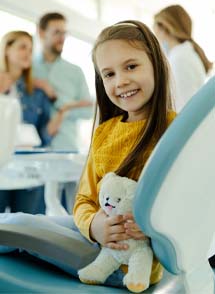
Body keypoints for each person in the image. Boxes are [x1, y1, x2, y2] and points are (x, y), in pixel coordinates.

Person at [0, 20, 176, 289]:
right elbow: (84, 199)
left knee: (15, 225)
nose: (121, 81)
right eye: (109, 74)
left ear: (156, 64)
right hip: (96, 236)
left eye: (131, 66)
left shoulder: (174, 129)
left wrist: (155, 228)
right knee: (19, 221)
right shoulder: (104, 132)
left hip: (120, 262)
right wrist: (94, 225)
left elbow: (189, 203)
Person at [0, 30, 64, 214]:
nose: (28, 53)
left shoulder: (36, 92)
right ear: (6, 49)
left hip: (29, 170)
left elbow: (42, 135)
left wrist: (58, 114)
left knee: (29, 231)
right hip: (2, 168)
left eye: (30, 48)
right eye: (22, 47)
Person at [33, 12, 93, 151]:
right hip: (31, 149)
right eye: (57, 32)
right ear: (41, 33)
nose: (62, 38)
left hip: (66, 148)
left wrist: (63, 108)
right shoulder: (28, 70)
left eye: (64, 33)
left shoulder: (75, 71)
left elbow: (88, 110)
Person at [153, 4, 213, 112]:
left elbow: (182, 106)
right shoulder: (183, 54)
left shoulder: (180, 58)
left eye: (155, 28)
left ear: (164, 29)